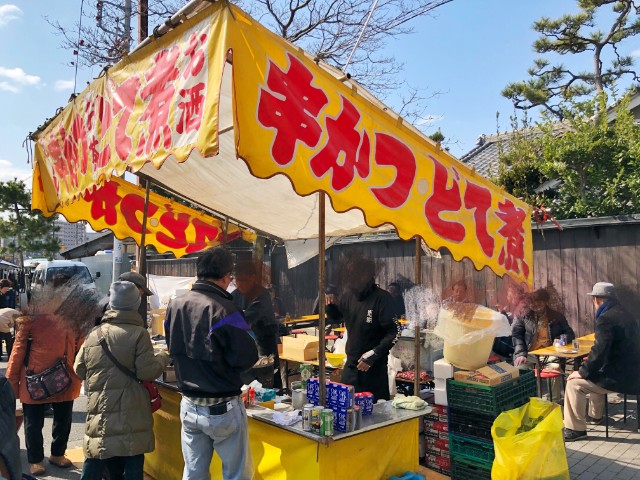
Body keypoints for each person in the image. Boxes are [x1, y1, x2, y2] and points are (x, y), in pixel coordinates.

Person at [165, 247, 258, 480]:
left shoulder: (175, 305)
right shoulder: (226, 310)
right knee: (237, 474)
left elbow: (171, 344)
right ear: (226, 277)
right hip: (221, 407)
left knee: (194, 473)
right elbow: (247, 357)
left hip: (188, 404)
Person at [74, 281, 170, 479]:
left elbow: (79, 368)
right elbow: (147, 372)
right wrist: (163, 357)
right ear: (135, 304)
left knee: (96, 457)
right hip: (132, 412)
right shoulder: (138, 334)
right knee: (133, 458)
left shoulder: (95, 334)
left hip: (100, 409)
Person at [6, 277, 84, 476]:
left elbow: (82, 347)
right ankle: (35, 459)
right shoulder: (30, 317)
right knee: (34, 423)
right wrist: (11, 382)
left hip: (65, 378)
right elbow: (18, 349)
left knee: (63, 419)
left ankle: (57, 454)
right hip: (34, 379)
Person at [563, 282, 640, 442]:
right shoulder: (627, 314)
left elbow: (599, 351)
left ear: (597, 300)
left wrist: (582, 371)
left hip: (619, 378)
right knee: (594, 374)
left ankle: (575, 429)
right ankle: (595, 416)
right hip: (634, 373)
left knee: (574, 383)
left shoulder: (606, 319)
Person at [329, 255, 400, 401]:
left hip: (373, 368)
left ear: (367, 276)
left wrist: (373, 354)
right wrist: (329, 305)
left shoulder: (383, 298)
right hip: (350, 366)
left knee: (374, 414)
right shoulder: (349, 296)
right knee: (347, 409)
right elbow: (337, 317)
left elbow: (395, 331)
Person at [512, 287, 575, 401]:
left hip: (549, 352)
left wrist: (561, 339)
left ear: (545, 302)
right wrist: (520, 353)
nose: (536, 307)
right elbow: (517, 335)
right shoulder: (522, 315)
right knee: (519, 368)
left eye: (539, 303)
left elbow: (570, 333)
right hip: (529, 353)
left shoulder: (556, 316)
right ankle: (526, 400)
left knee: (555, 367)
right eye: (532, 304)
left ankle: (554, 401)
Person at [233, 261, 282, 389]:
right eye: (237, 280)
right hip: (246, 344)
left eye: (243, 280)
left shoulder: (261, 294)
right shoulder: (235, 294)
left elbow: (247, 317)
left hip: (265, 343)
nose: (239, 284)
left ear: (253, 278)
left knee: (269, 380)